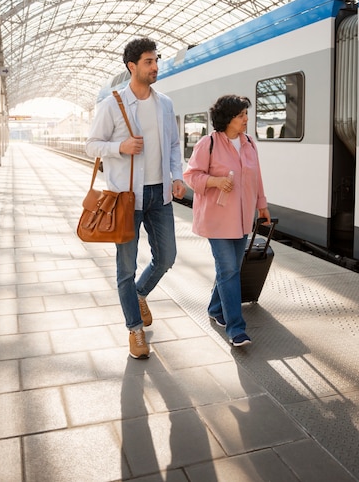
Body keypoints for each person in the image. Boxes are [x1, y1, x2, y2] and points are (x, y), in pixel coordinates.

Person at [86, 37, 186, 359]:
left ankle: (139, 294)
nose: (155, 66)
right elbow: (92, 145)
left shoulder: (165, 104)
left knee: (167, 258)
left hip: (160, 196)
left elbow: (173, 146)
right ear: (132, 66)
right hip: (126, 198)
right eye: (148, 61)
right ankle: (135, 330)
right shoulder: (112, 105)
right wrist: (120, 148)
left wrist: (178, 177)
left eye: (156, 60)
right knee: (125, 269)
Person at [183, 94, 270, 347]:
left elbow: (257, 177)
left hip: (242, 219)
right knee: (229, 269)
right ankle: (236, 329)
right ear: (228, 118)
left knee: (231, 268)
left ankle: (214, 308)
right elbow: (190, 176)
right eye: (241, 115)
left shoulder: (249, 143)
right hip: (217, 219)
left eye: (246, 114)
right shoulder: (207, 143)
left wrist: (261, 205)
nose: (246, 119)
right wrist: (215, 181)